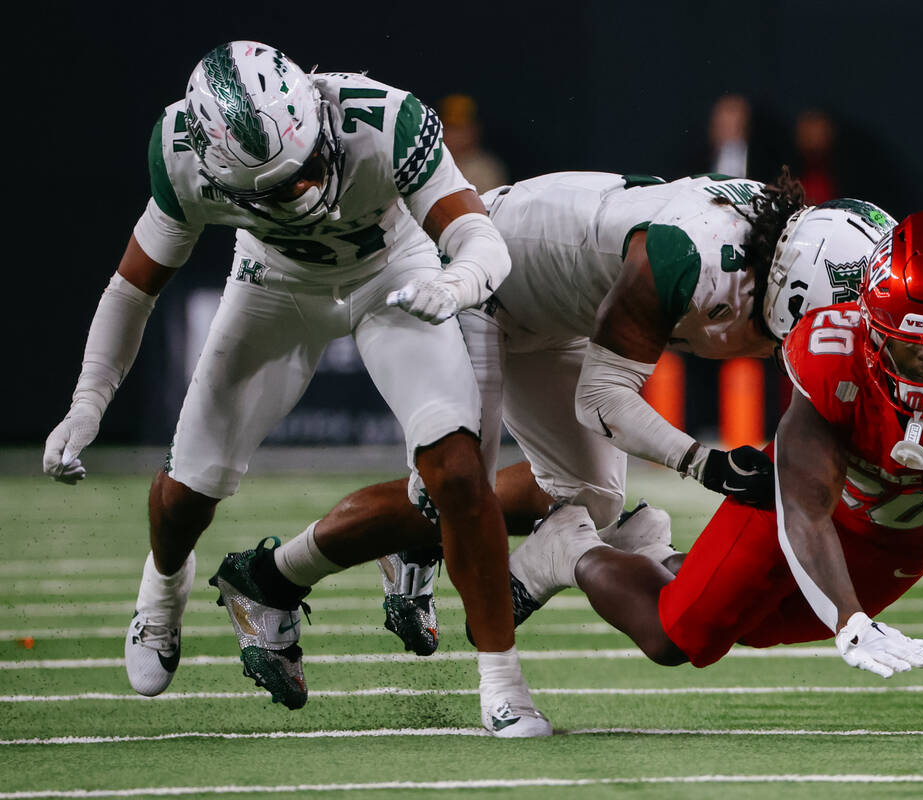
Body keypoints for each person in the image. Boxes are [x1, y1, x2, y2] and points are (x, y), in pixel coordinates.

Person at [39, 41, 549, 737]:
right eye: (281, 187)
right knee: (188, 490)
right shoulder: (180, 151)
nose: (307, 191)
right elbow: (133, 288)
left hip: (392, 270)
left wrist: (456, 280)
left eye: (309, 165)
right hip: (273, 284)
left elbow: (481, 239)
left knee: (458, 473)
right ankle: (161, 592)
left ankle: (503, 684)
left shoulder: (382, 120)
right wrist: (88, 400)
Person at [214, 173, 897, 670]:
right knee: (458, 494)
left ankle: (457, 548)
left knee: (590, 500)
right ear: (801, 287)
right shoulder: (689, 257)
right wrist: (704, 462)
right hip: (484, 281)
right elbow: (601, 401)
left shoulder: (776, 258)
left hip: (561, 312)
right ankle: (272, 576)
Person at [495, 210, 923, 677]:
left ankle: (647, 547)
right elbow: (803, 509)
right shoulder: (830, 350)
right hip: (801, 506)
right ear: (870, 323)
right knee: (680, 638)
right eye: (906, 347)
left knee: (751, 627)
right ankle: (570, 547)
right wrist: (849, 622)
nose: (922, 369)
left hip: (898, 540)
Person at [438, 94, 508, 194]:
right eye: (449, 128)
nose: (453, 135)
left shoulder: (487, 169)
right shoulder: (430, 163)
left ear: (474, 130)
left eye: (459, 129)